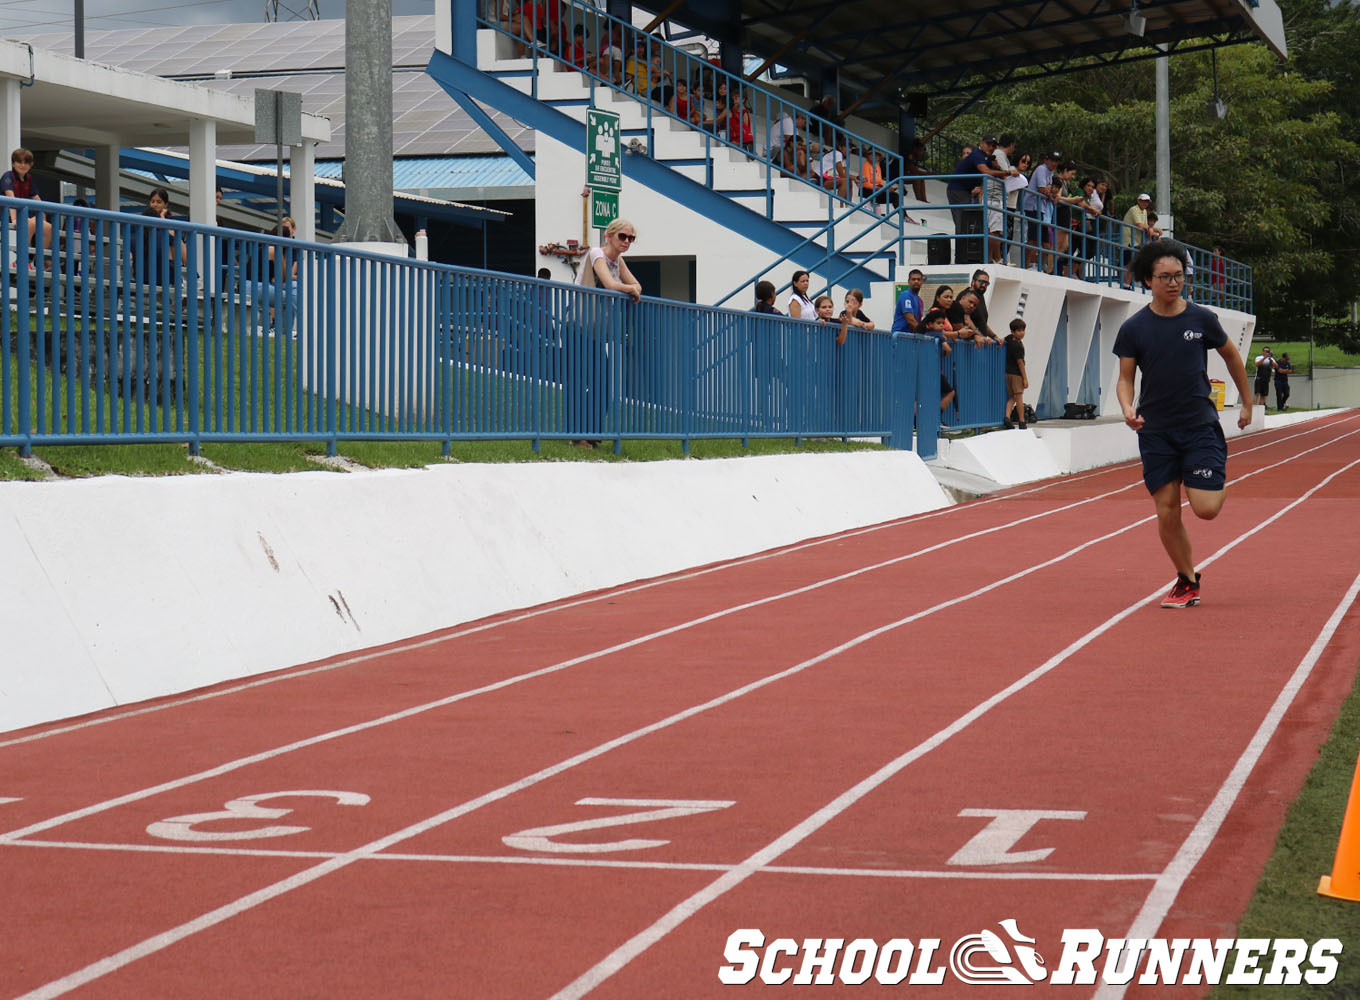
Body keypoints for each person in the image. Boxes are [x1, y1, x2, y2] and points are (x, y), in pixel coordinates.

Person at [1113, 239, 1252, 609]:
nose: (1173, 283)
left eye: (1179, 276)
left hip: (1198, 426)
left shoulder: (1201, 318)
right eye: (1165, 277)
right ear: (1148, 280)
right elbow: (1126, 378)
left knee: (1205, 508)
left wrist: (1248, 402)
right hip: (1155, 429)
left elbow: (1232, 357)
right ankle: (1187, 580)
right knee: (1167, 509)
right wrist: (1127, 407)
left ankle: (1214, 472)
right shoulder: (1134, 328)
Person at [2, 147, 53, 270]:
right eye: (19, 162)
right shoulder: (8, 176)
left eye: (26, 162)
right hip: (6, 214)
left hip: (21, 215)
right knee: (29, 223)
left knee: (47, 227)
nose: (22, 165)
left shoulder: (29, 179)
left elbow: (37, 200)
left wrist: (43, 219)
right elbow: (11, 200)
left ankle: (36, 262)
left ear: (31, 165)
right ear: (13, 164)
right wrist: (14, 219)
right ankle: (21, 261)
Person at [919, 307, 958, 418]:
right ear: (930, 324)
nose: (941, 325)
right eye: (939, 323)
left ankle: (917, 421)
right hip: (936, 371)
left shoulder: (926, 335)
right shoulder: (938, 335)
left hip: (924, 369)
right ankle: (937, 415)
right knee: (951, 392)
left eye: (942, 323)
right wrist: (943, 353)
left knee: (925, 396)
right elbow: (948, 349)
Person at [1002, 318, 1029, 429]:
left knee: (1012, 397)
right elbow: (1020, 363)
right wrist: (1025, 378)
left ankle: (1007, 418)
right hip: (1016, 374)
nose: (1022, 333)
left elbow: (1003, 339)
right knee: (1019, 398)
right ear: (1013, 332)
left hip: (1008, 373)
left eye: (1023, 330)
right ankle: (1022, 421)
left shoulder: (1009, 339)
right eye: (1019, 331)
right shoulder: (1018, 346)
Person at [890, 268, 925, 334]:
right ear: (908, 281)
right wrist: (924, 333)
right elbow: (910, 320)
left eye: (918, 279)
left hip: (910, 337)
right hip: (900, 336)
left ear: (922, 282)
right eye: (913, 279)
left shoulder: (920, 301)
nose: (916, 281)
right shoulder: (906, 296)